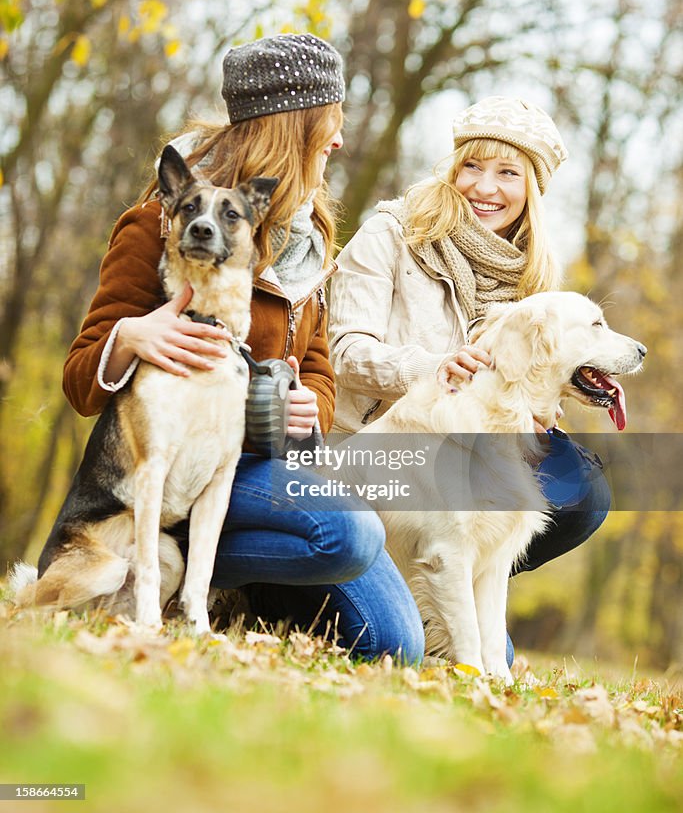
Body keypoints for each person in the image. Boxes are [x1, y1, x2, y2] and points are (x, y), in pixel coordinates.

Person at [62, 32, 424, 664]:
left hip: (254, 462)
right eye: (328, 126)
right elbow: (80, 377)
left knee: (397, 644)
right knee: (349, 531)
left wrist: (308, 402)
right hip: (164, 473)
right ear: (291, 131)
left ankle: (227, 592)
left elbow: (315, 361)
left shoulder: (308, 240)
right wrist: (132, 337)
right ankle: (169, 577)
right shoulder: (163, 224)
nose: (338, 142)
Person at [329, 96, 610, 662]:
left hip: (469, 457)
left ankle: (456, 572)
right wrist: (427, 367)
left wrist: (543, 401)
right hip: (375, 446)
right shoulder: (392, 233)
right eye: (472, 167)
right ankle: (403, 580)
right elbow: (344, 352)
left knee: (582, 487)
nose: (486, 187)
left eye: (508, 173)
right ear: (453, 169)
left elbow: (526, 378)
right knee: (396, 643)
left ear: (530, 189)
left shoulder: (531, 273)